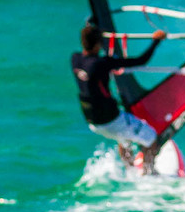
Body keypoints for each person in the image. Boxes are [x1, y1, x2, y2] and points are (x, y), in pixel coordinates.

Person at [71, 20, 166, 154]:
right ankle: (149, 167)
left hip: (93, 121)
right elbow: (141, 60)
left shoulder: (75, 59)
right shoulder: (101, 63)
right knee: (151, 138)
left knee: (123, 138)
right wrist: (156, 41)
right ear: (98, 44)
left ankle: (128, 166)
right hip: (112, 119)